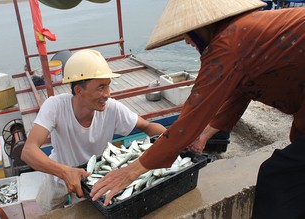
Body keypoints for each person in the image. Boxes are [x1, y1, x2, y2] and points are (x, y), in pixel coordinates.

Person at [90, 0, 305, 218]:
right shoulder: (245, 31)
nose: (185, 40)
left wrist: (132, 171)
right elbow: (243, 91)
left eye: (187, 34)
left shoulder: (228, 43)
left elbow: (192, 115)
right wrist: (204, 134)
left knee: (279, 178)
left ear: (201, 28)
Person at [21, 49, 166, 212]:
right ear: (79, 90)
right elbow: (28, 151)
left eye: (108, 86)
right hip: (58, 172)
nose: (107, 94)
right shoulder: (55, 106)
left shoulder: (112, 108)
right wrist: (65, 172)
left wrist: (172, 145)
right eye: (100, 87)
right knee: (47, 210)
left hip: (93, 178)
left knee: (82, 212)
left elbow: (148, 127)